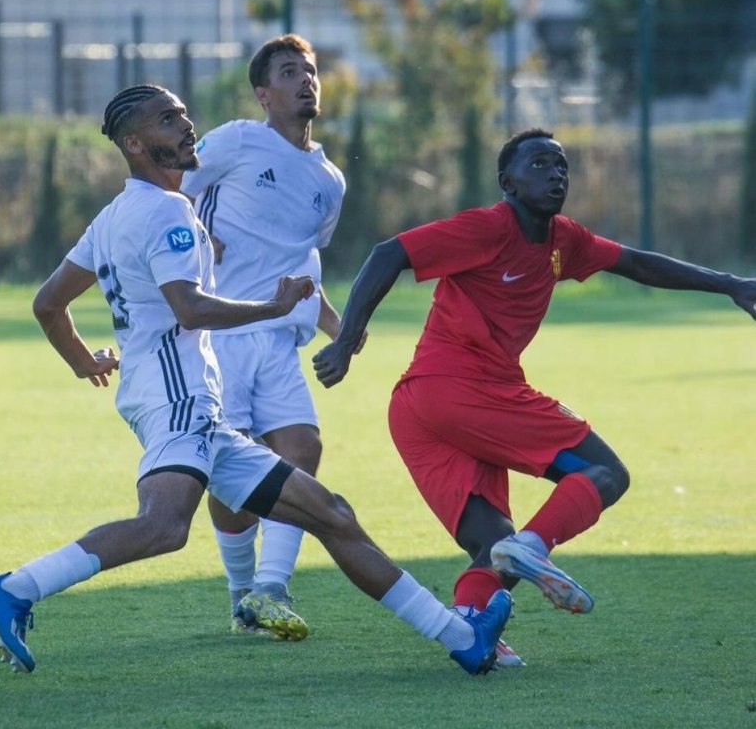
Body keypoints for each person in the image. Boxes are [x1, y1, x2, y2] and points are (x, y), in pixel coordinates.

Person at [0, 83, 512, 676]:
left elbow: (49, 304)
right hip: (179, 399)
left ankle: (462, 637)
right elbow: (190, 308)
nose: (185, 124)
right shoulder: (166, 211)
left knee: (331, 512)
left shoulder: (115, 213)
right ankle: (14, 589)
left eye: (181, 113)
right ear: (135, 143)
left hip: (184, 405)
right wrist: (272, 309)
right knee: (164, 526)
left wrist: (84, 362)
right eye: (166, 120)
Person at [313, 128, 756, 667]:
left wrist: (729, 283)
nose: (556, 174)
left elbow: (637, 264)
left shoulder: (562, 241)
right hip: (460, 390)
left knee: (492, 542)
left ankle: (471, 635)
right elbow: (389, 253)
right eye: (541, 164)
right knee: (605, 474)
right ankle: (532, 548)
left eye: (562, 166)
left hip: (421, 409)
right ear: (508, 182)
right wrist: (346, 338)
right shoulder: (486, 227)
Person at [180, 34, 363, 640]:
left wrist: (341, 326)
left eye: (310, 70)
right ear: (263, 94)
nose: (305, 80)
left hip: (280, 341)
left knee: (302, 450)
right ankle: (242, 595)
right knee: (231, 473)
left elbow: (301, 261)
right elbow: (167, 191)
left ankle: (270, 587)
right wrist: (198, 243)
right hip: (222, 334)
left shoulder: (330, 180)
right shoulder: (235, 140)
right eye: (289, 73)